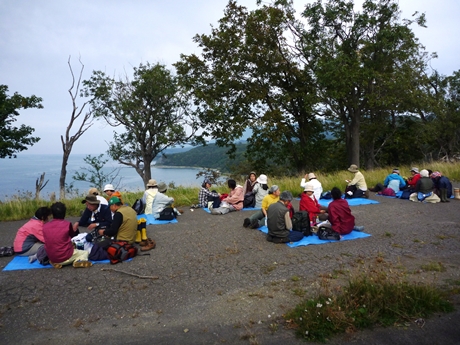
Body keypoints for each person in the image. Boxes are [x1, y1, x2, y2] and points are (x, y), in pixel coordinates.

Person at [42, 202, 92, 268]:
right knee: (85, 252)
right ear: (64, 213)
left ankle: (56, 263)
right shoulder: (67, 224)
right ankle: (78, 261)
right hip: (65, 256)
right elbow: (72, 236)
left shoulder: (45, 226)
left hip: (52, 257)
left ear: (52, 214)